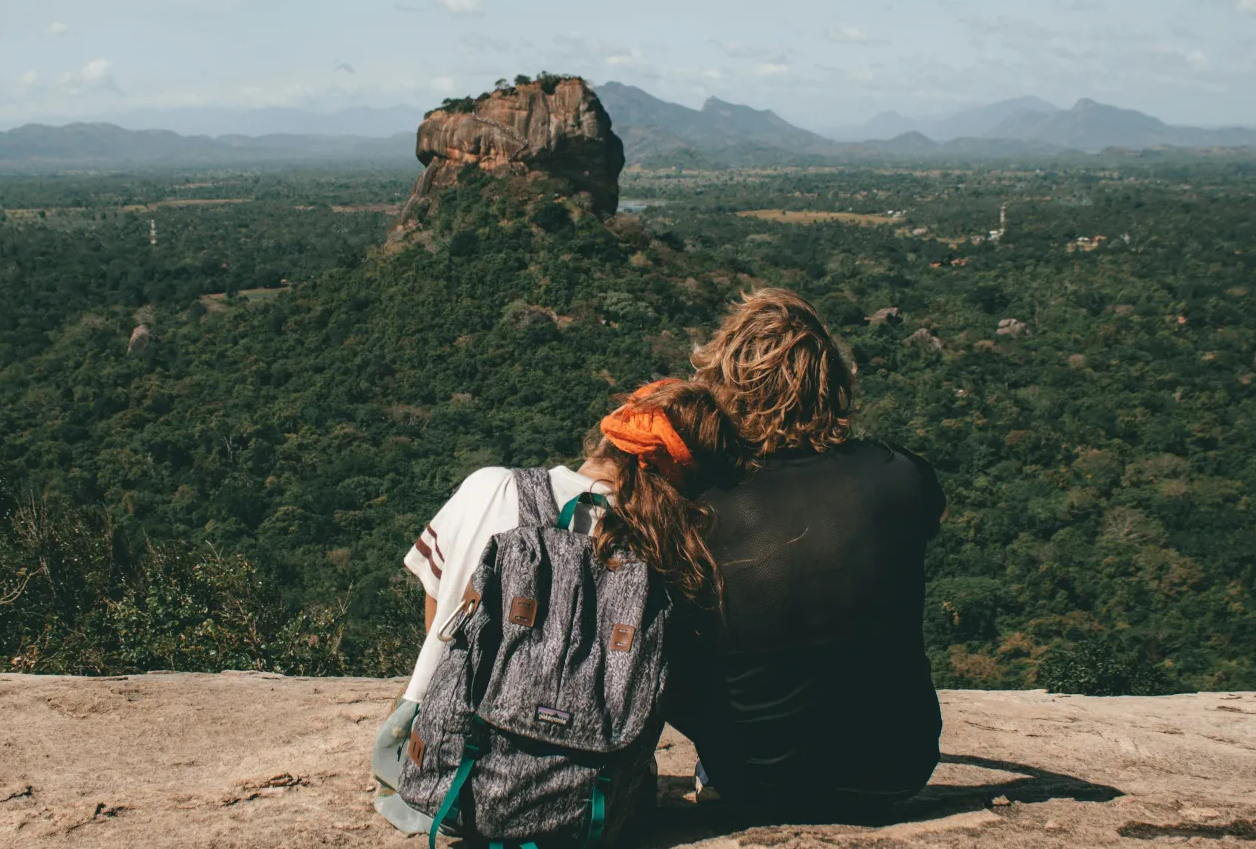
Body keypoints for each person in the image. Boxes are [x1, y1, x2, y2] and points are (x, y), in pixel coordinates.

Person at [371, 378, 749, 833]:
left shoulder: (489, 487)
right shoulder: (668, 551)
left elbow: (439, 620)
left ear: (609, 434)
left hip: (441, 780)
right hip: (586, 795)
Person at [667, 287, 947, 821]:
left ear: (722, 386)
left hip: (754, 778)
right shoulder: (901, 475)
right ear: (833, 382)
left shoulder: (697, 504)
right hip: (898, 768)